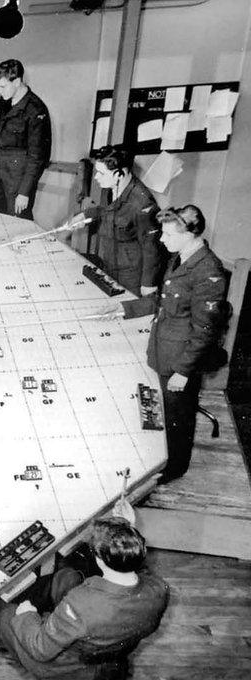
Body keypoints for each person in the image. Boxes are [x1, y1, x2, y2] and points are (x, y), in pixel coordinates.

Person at [99, 205, 227, 484]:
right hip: (164, 347)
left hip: (180, 358)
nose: (162, 239)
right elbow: (163, 301)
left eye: (168, 233)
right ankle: (166, 455)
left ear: (189, 234)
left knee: (178, 417)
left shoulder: (208, 271)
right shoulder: (180, 257)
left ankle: (175, 468)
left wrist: (183, 371)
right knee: (169, 412)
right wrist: (124, 308)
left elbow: (204, 329)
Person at [0, 514, 169, 680]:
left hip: (64, 667)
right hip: (109, 654)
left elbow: (40, 648)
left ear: (100, 560)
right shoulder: (159, 589)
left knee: (2, 610)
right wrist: (125, 531)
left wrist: (26, 615)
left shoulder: (80, 605)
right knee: (67, 576)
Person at [72, 146, 163, 297]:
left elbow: (152, 248)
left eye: (101, 173)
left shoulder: (142, 204)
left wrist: (148, 285)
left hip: (132, 277)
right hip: (111, 264)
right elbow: (112, 211)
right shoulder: (114, 188)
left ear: (120, 174)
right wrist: (86, 215)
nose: (96, 177)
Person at [0, 59, 51, 220]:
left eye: (2, 87)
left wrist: (24, 192)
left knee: (17, 224)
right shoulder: (5, 103)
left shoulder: (36, 110)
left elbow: (37, 157)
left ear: (17, 81)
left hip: (18, 177)